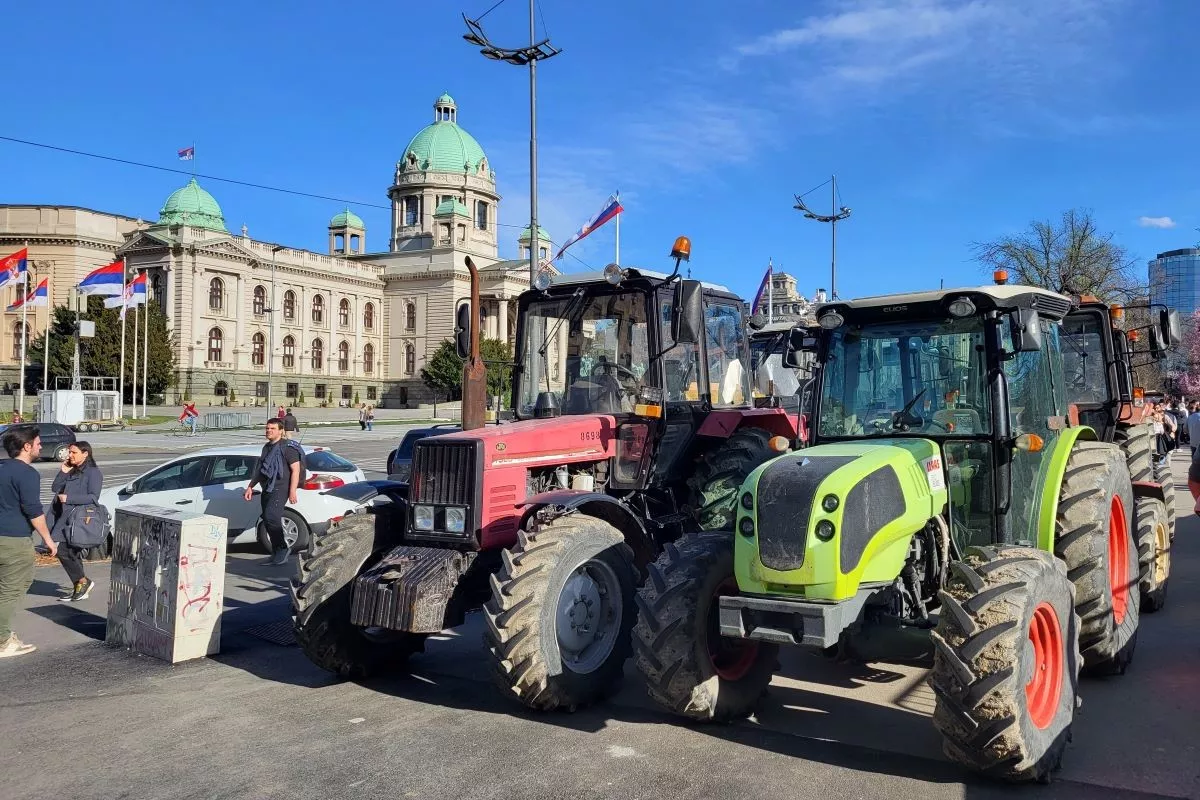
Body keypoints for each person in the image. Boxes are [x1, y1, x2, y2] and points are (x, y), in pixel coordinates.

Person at [0, 426, 57, 658]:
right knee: (11, 590)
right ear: (26, 446)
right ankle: (2, 641)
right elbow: (34, 511)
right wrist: (48, 540)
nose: (40, 447)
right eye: (38, 443)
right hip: (14, 541)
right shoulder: (27, 474)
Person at [243, 418, 301, 566]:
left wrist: (292, 491)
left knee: (272, 517)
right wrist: (250, 486)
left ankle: (283, 548)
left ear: (281, 431)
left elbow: (296, 470)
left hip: (281, 487)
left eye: (272, 428)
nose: (268, 431)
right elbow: (260, 470)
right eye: (267, 428)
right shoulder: (266, 447)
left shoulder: (287, 448)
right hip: (267, 487)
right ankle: (276, 552)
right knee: (267, 520)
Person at [50, 442, 103, 602]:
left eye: (74, 452)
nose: (70, 455)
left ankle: (82, 581)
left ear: (85, 454)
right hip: (64, 518)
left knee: (64, 551)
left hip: (80, 520)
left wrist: (69, 498)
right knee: (71, 552)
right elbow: (55, 488)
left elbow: (93, 497)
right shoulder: (71, 470)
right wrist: (63, 471)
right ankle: (80, 586)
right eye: (70, 452)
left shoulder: (93, 472)